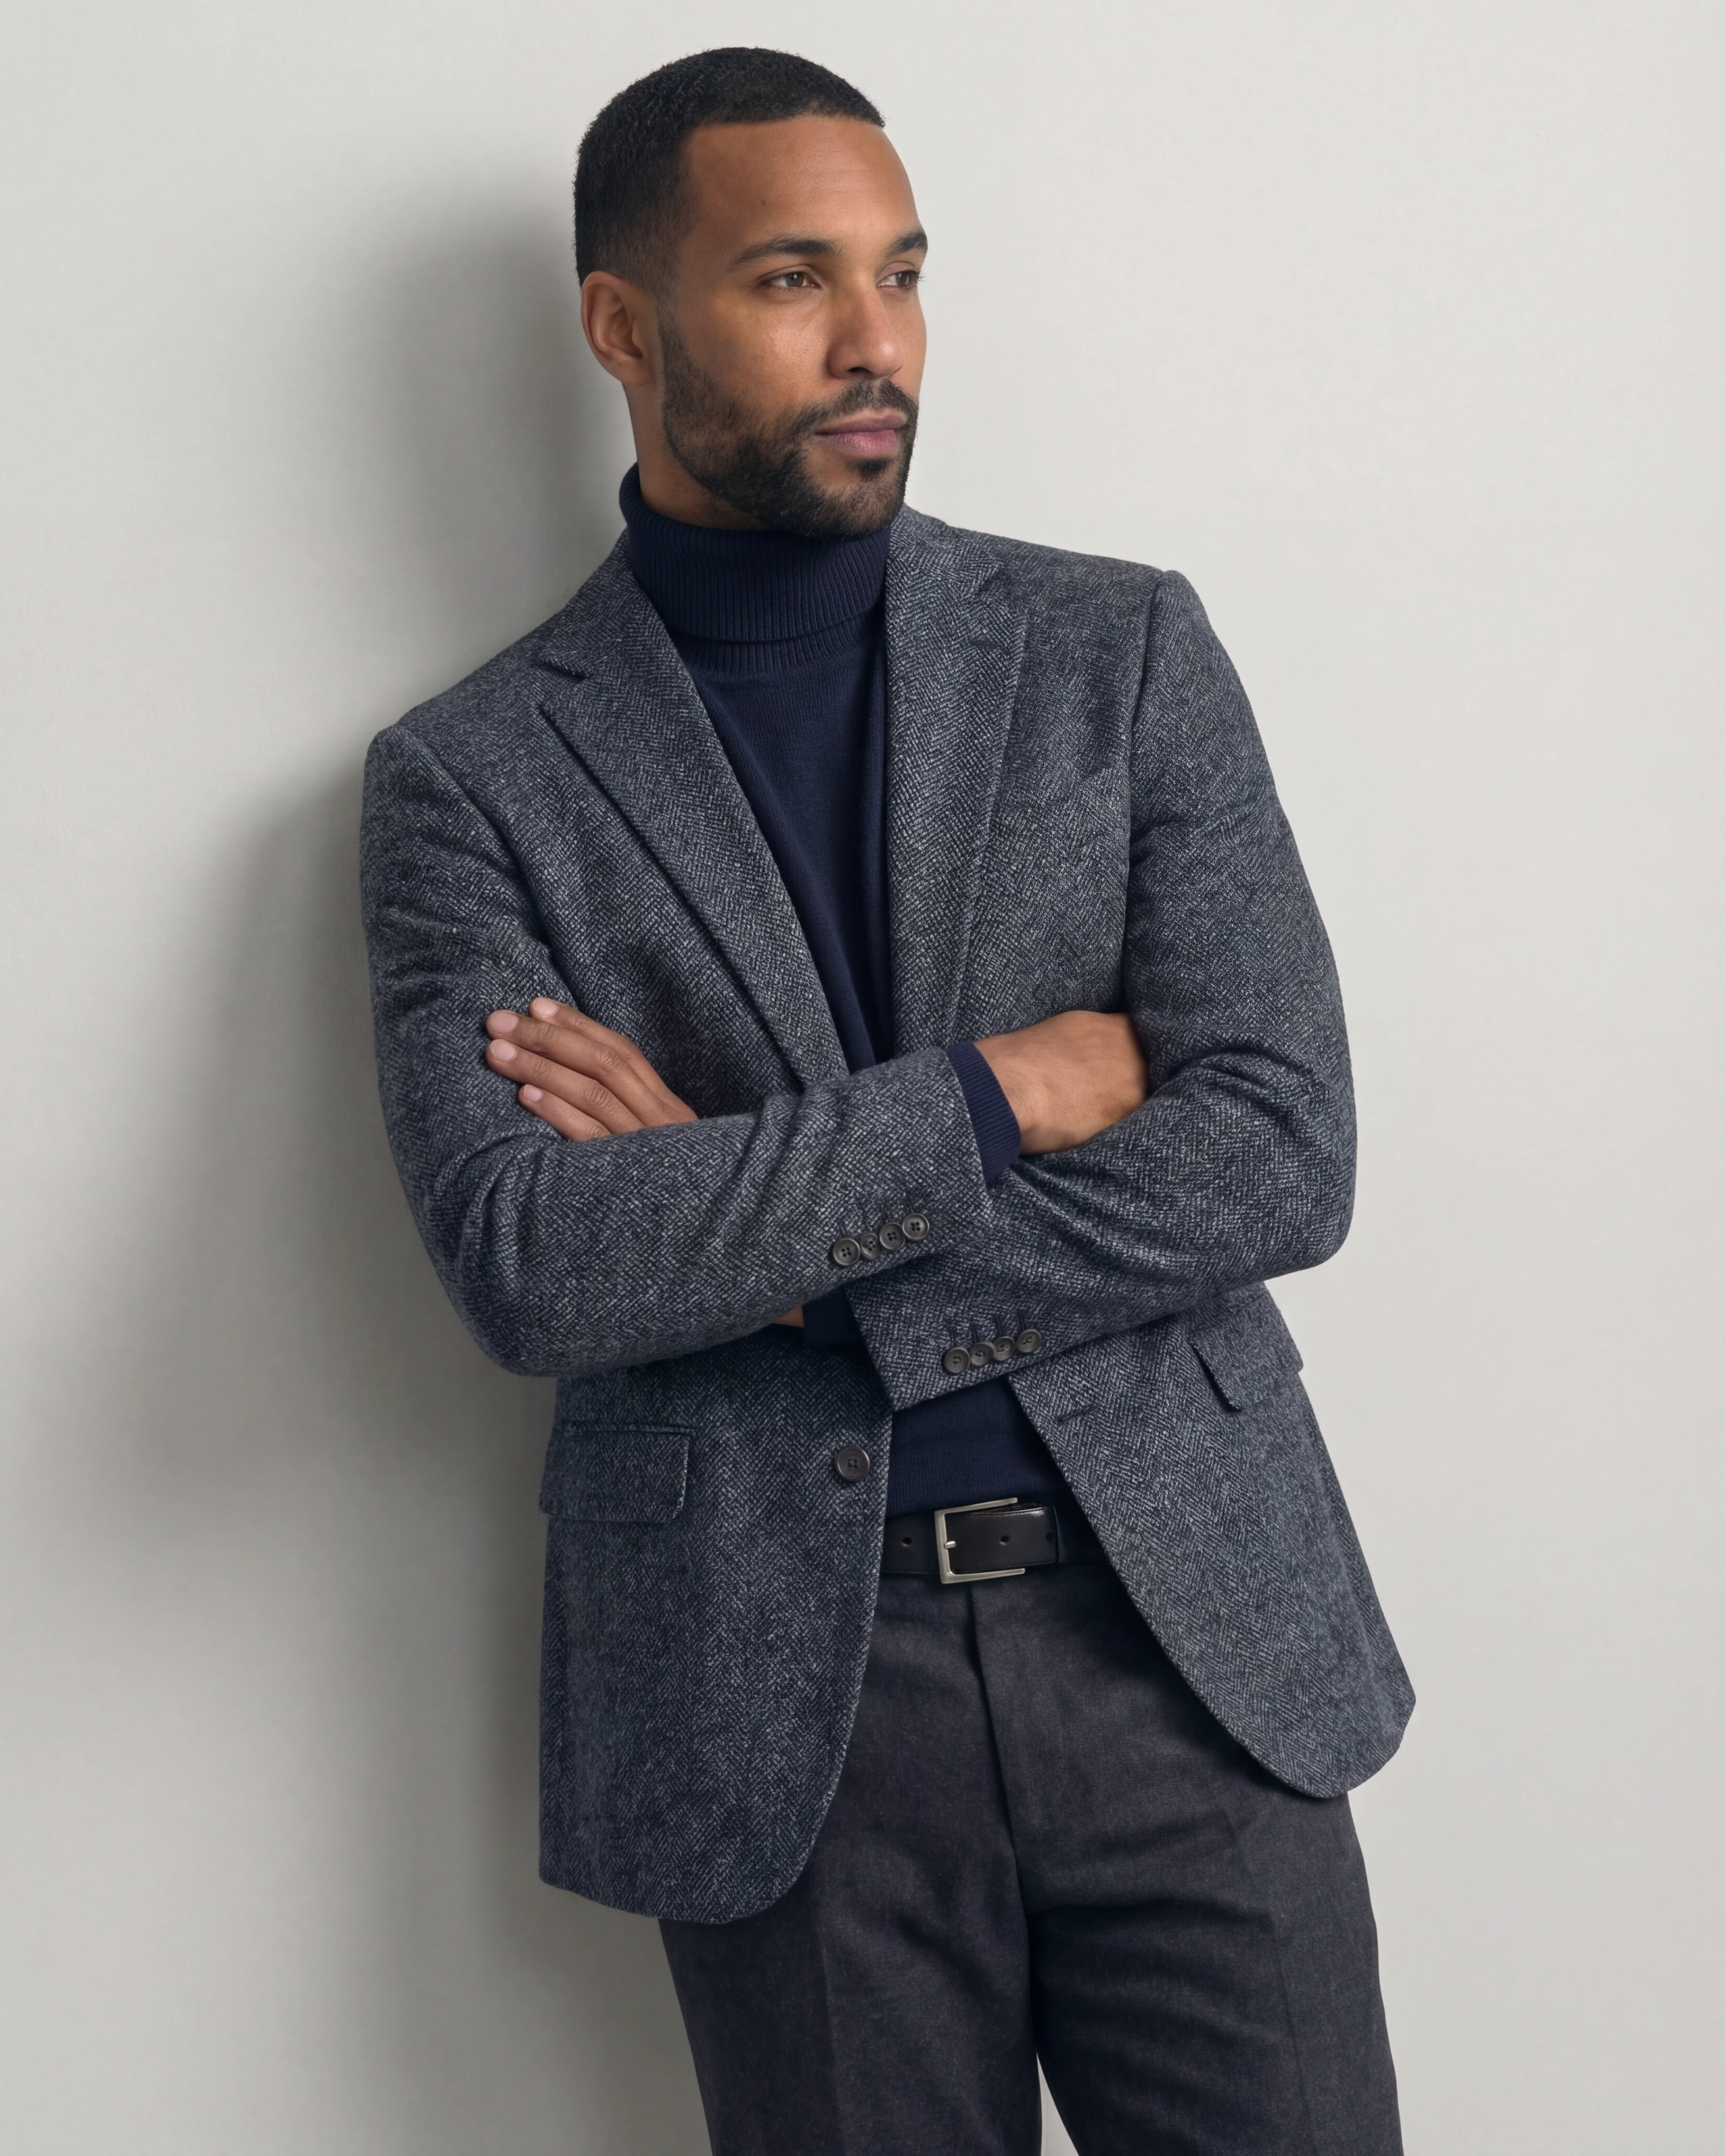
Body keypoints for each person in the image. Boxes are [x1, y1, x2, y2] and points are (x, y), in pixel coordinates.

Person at [360, 45, 1413, 2156]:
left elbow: (1281, 1147)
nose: (878, 342)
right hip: (780, 1704)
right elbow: (537, 1261)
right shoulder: (469, 780)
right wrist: (1007, 1085)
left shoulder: (1118, 651)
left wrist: (760, 1245)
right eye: (793, 279)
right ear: (623, 326)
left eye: (903, 273)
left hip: (1187, 1636)